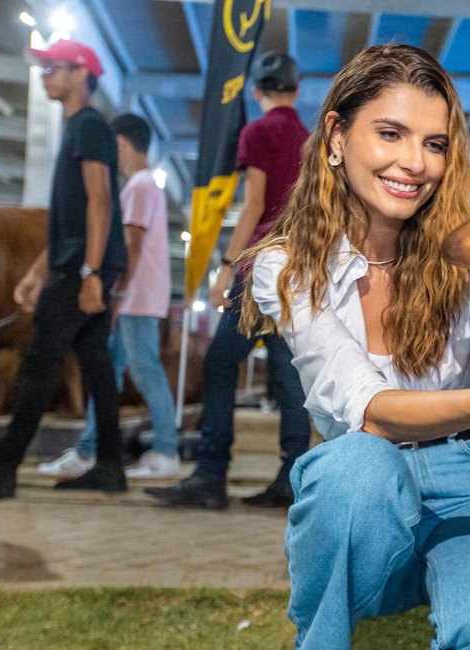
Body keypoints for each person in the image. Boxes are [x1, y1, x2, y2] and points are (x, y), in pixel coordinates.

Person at [241, 44, 470, 649]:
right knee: (355, 468)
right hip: (361, 486)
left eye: (434, 143)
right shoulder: (288, 265)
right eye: (391, 134)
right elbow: (371, 411)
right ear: (336, 135)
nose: (415, 163)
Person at [0, 38, 128, 497]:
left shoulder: (89, 125)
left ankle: (3, 468)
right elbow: (70, 218)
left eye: (54, 68)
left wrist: (90, 273)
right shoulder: (76, 128)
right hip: (75, 264)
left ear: (80, 74)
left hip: (81, 271)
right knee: (95, 366)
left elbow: (101, 201)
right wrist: (36, 272)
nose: (45, 75)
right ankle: (111, 466)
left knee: (38, 361)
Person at [144, 52, 311, 509]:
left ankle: (211, 475)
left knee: (219, 364)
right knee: (288, 374)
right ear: (296, 91)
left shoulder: (258, 132)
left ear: (256, 92)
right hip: (297, 268)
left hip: (259, 268)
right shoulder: (309, 139)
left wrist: (226, 266)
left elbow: (255, 203)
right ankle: (293, 478)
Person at [37, 113, 179, 480]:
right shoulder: (146, 186)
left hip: (134, 296)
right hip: (140, 295)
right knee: (109, 374)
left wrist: (116, 291)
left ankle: (166, 451)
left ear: (119, 144)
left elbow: (131, 243)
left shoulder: (138, 187)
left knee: (145, 371)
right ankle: (88, 450)